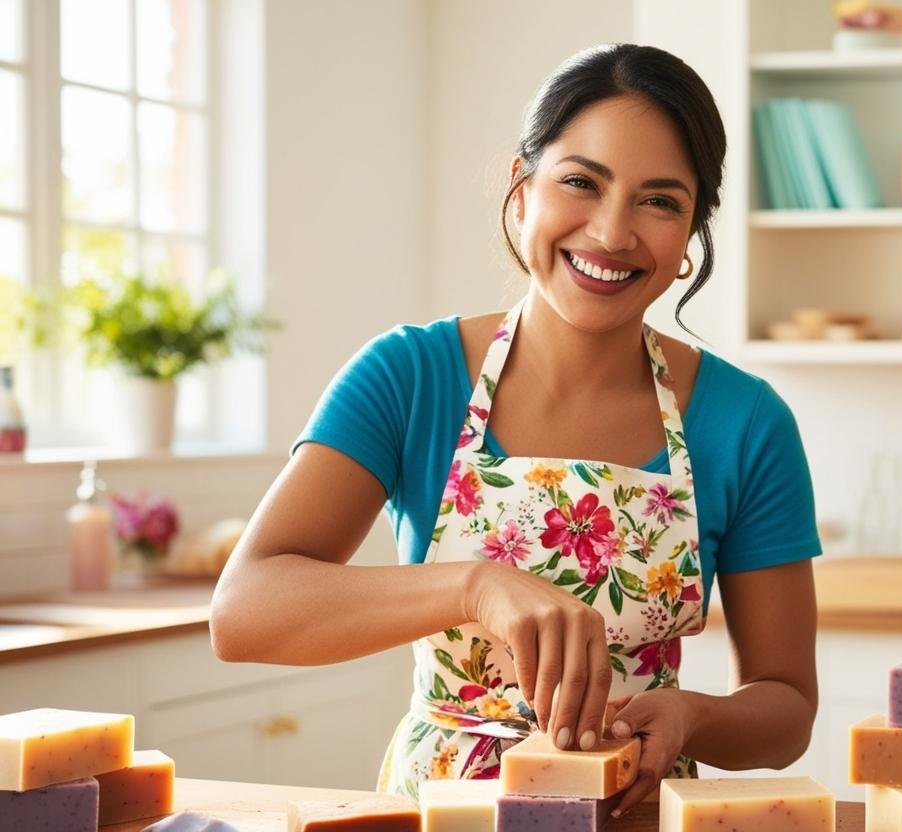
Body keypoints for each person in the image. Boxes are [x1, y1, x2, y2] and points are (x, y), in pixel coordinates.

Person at [209, 44, 822, 815]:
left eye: (659, 201)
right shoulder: (410, 376)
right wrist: (477, 586)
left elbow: (787, 706)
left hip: (636, 816)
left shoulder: (746, 421)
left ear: (693, 231)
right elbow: (244, 611)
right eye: (580, 183)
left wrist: (695, 715)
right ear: (522, 189)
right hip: (437, 813)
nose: (610, 231)